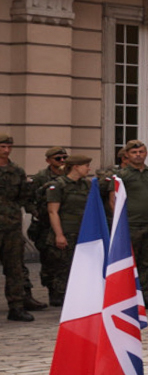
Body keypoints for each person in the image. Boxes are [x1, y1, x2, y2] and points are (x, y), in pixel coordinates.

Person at [115, 140, 148, 309]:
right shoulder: (121, 175)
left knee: (146, 262)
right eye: (134, 152)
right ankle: (125, 297)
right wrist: (119, 223)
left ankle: (145, 295)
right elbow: (113, 199)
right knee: (128, 262)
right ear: (127, 155)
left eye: (141, 152)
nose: (138, 155)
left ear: (146, 153)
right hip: (130, 224)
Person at [43, 153, 96, 311]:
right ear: (76, 167)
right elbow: (53, 212)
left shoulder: (86, 185)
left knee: (82, 268)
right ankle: (63, 301)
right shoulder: (58, 185)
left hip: (82, 232)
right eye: (86, 166)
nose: (88, 169)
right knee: (63, 269)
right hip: (66, 232)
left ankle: (79, 299)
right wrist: (59, 235)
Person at [0, 134, 41, 322]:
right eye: (2, 147)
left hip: (11, 227)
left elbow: (24, 196)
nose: (6, 150)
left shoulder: (16, 171)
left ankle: (16, 307)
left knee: (14, 268)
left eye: (9, 147)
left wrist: (34, 212)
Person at [26, 147, 68, 308]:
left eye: (64, 158)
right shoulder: (40, 178)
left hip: (64, 221)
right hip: (44, 224)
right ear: (48, 160)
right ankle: (53, 290)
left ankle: (63, 291)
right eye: (58, 158)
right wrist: (36, 212)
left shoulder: (68, 176)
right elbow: (28, 198)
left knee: (65, 259)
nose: (62, 161)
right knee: (49, 259)